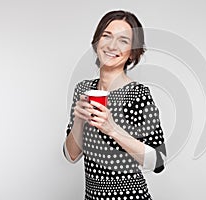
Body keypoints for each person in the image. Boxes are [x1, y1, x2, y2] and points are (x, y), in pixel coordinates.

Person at [63, 10, 166, 200]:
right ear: (97, 42)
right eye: (106, 36)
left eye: (123, 40)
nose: (112, 45)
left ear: (132, 53)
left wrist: (112, 130)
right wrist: (78, 121)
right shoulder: (83, 90)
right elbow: (71, 156)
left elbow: (158, 162)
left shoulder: (138, 94)